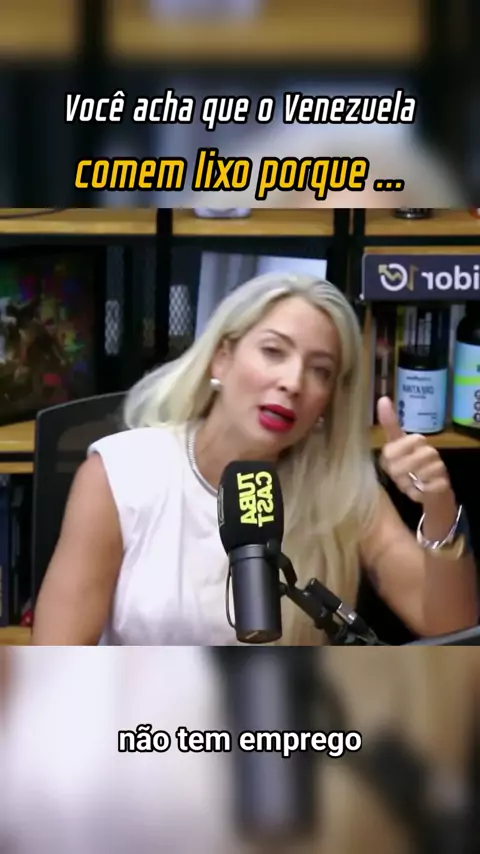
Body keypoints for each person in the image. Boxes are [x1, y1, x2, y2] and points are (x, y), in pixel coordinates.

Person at [32, 273, 478, 645]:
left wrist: (438, 505)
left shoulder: (341, 488)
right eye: (273, 351)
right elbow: (57, 667)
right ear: (221, 359)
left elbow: (449, 627)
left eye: (320, 370)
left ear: (327, 402)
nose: (293, 382)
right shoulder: (121, 475)